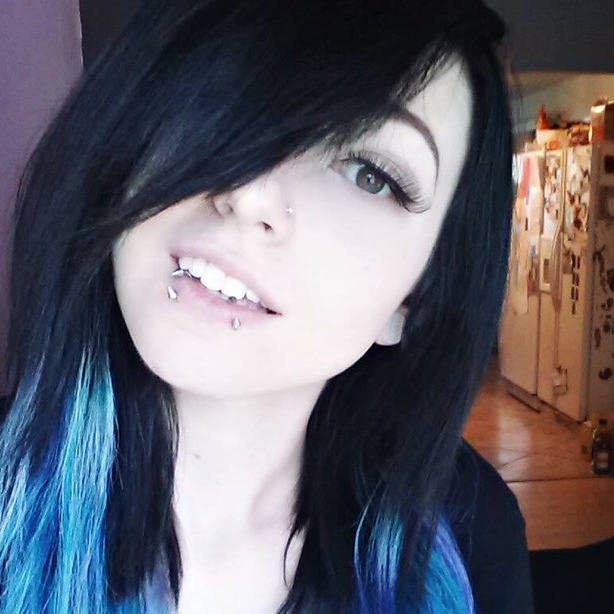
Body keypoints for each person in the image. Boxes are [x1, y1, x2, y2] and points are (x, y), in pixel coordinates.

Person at [0, 0, 534, 612]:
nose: (248, 193)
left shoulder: (473, 537)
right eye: (230, 97)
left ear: (415, 298)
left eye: (367, 174)